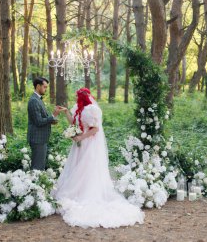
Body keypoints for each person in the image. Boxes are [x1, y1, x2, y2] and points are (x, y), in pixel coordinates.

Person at [52, 87, 144, 228]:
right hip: (79, 145)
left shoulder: (90, 110)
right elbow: (73, 123)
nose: (79, 99)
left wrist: (81, 136)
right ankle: (77, 190)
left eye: (80, 96)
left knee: (87, 168)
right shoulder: (78, 108)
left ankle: (86, 191)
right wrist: (66, 113)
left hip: (89, 144)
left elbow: (95, 129)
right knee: (77, 167)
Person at [27, 77, 62, 170]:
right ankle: (35, 183)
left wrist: (52, 120)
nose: (46, 89)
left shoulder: (38, 99)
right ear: (38, 86)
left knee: (40, 166)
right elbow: (38, 122)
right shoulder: (34, 100)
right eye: (44, 87)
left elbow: (41, 119)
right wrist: (53, 115)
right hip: (37, 139)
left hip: (41, 138)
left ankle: (37, 183)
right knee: (37, 168)